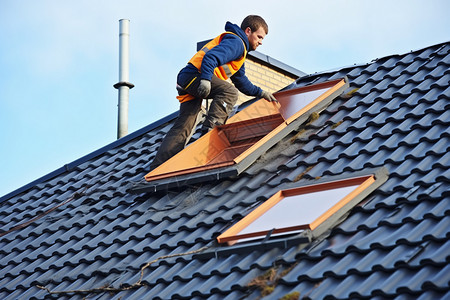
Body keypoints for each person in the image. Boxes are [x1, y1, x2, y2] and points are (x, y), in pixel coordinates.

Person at [150, 15, 277, 170]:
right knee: (229, 92)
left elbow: (241, 81)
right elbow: (211, 57)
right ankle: (210, 136)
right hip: (195, 76)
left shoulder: (240, 52)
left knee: (184, 126)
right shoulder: (237, 42)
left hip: (189, 78)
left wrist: (261, 92)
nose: (261, 42)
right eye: (259, 37)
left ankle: (159, 168)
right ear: (248, 31)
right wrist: (205, 80)